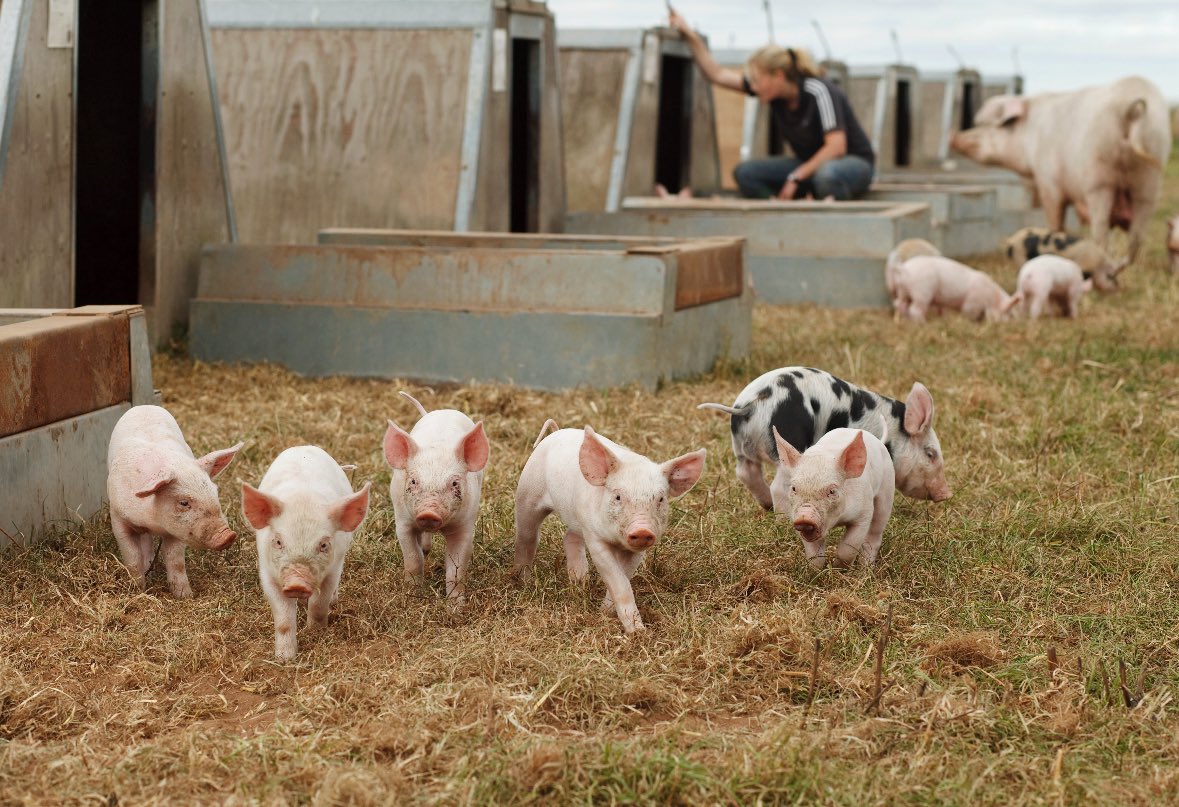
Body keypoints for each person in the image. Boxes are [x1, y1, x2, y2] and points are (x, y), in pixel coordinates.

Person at [668, 7, 875, 201]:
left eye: (757, 80)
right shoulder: (774, 95)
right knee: (746, 173)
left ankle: (829, 212)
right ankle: (778, 206)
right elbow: (718, 74)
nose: (753, 86)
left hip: (851, 164)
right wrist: (690, 35)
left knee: (827, 175)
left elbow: (837, 147)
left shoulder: (818, 91)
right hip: (809, 165)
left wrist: (796, 176)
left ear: (779, 75)